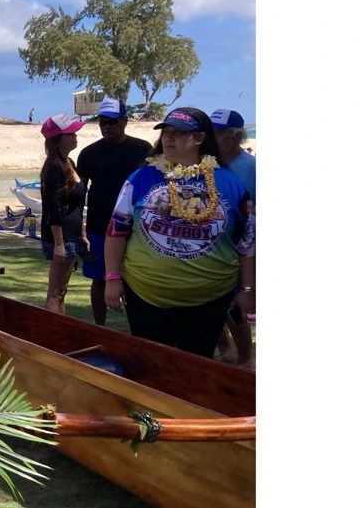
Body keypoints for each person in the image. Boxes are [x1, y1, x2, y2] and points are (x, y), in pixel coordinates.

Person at [104, 108, 256, 357]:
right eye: (166, 132)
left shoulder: (230, 183)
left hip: (209, 300)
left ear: (198, 138)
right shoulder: (141, 178)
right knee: (151, 364)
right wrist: (112, 279)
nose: (168, 138)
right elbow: (116, 231)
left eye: (178, 133)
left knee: (196, 367)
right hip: (146, 297)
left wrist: (248, 291)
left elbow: (247, 242)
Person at [76, 98, 152, 326]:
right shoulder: (89, 153)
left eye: (112, 122)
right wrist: (79, 228)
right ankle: (100, 327)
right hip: (99, 225)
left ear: (125, 121)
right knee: (100, 279)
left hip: (137, 228)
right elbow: (80, 192)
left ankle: (139, 329)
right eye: (102, 123)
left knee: (138, 279)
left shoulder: (143, 150)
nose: (107, 127)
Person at [211, 108, 257, 366]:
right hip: (212, 247)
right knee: (211, 302)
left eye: (219, 132)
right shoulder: (208, 165)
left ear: (236, 135)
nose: (214, 137)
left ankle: (246, 358)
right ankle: (226, 350)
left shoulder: (252, 167)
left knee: (237, 305)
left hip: (242, 248)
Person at [39, 114, 89, 316]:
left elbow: (75, 205)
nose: (75, 136)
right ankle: (51, 337)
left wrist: (82, 233)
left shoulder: (68, 162)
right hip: (61, 238)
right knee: (56, 292)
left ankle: (61, 330)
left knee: (62, 290)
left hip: (71, 235)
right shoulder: (54, 167)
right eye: (70, 133)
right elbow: (53, 207)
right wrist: (59, 244)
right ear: (57, 140)